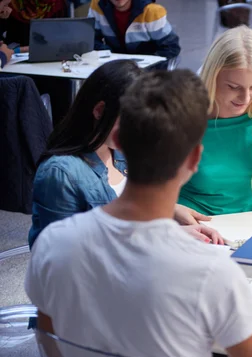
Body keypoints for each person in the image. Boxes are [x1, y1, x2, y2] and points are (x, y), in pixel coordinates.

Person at [25, 69, 252, 357]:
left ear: (117, 140)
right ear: (194, 159)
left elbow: (55, 348)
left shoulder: (53, 243)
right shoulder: (211, 273)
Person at [28, 60, 221, 247]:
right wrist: (165, 236)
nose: (137, 129)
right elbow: (60, 255)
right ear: (99, 110)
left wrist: (170, 211)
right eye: (129, 119)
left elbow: (131, 216)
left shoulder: (121, 153)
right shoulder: (61, 174)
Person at [178, 26, 252, 230]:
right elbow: (149, 183)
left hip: (240, 225)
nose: (245, 98)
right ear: (212, 76)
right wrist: (171, 209)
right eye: (234, 87)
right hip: (187, 223)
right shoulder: (183, 112)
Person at [88, 0, 181, 61]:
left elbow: (171, 48)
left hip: (147, 72)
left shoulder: (152, 11)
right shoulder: (97, 6)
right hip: (114, 69)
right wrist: (108, 55)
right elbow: (90, 40)